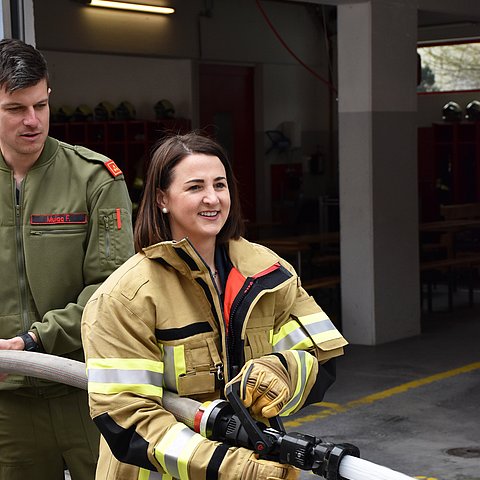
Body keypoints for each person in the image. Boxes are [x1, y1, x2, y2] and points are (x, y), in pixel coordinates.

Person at [81, 132, 348, 480]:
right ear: (162, 198)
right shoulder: (126, 296)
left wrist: (282, 369)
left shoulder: (268, 272)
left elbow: (321, 359)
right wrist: (228, 466)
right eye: (195, 187)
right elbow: (128, 419)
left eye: (220, 185)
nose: (212, 198)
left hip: (252, 465)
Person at [0, 38, 135, 480]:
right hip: (8, 402)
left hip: (84, 390)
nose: (32, 121)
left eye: (40, 104)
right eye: (15, 108)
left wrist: (34, 342)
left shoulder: (94, 179)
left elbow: (111, 289)